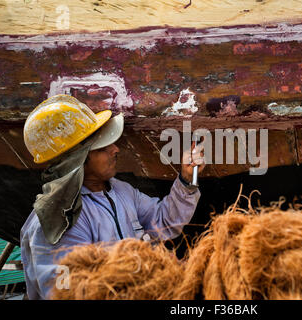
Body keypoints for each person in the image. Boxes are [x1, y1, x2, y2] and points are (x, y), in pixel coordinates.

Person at [20, 94, 205, 299]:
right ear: (78, 160)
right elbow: (64, 292)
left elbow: (164, 221)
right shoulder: (57, 222)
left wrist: (187, 180)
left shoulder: (121, 191)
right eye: (103, 146)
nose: (115, 149)